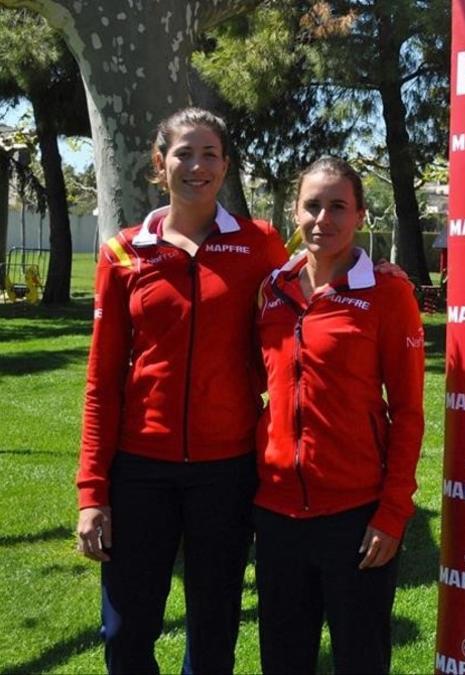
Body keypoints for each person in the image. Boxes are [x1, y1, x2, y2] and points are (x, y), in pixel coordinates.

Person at [75, 108, 289, 673]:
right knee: (126, 632)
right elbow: (101, 381)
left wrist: (377, 271)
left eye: (210, 154)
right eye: (184, 153)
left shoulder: (259, 243)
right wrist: (92, 492)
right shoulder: (124, 252)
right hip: (139, 468)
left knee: (215, 629)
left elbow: (314, 289)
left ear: (224, 165)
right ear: (160, 164)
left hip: (227, 468)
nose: (197, 166)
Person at [253, 156, 425, 675]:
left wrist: (392, 512)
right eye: (311, 206)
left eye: (337, 207)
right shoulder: (271, 290)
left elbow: (409, 413)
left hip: (356, 516)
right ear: (294, 211)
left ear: (360, 216)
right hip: (277, 512)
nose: (322, 219)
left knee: (361, 660)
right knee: (282, 661)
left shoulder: (389, 294)